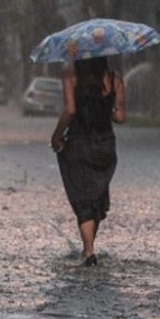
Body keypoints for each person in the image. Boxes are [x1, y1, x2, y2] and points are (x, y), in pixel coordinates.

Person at [50, 56, 126, 266]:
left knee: (82, 197)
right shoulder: (114, 78)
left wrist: (56, 135)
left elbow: (70, 110)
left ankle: (89, 251)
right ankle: (89, 247)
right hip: (105, 146)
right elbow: (120, 117)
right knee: (96, 196)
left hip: (78, 144)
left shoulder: (70, 76)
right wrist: (104, 107)